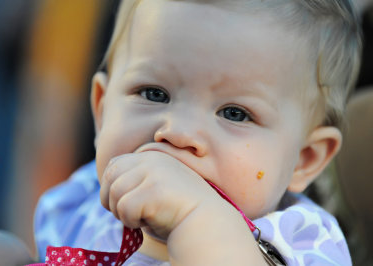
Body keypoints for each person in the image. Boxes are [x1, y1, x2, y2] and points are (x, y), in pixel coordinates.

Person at [34, 0, 361, 265]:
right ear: (102, 111)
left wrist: (194, 216)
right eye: (153, 93)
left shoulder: (300, 240)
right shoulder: (83, 201)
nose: (177, 132)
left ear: (304, 159)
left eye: (234, 113)